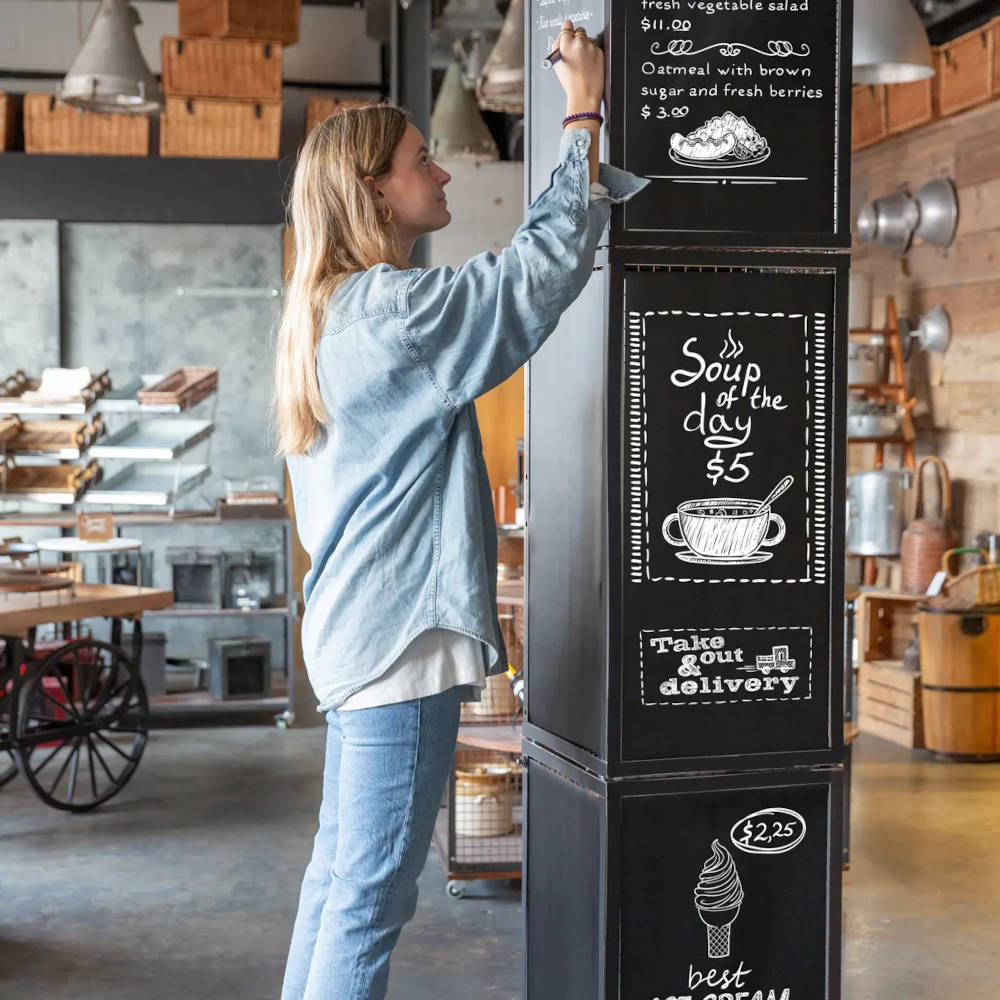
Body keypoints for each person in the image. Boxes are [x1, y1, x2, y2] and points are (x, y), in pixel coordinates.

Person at [273, 19, 648, 1000]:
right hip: (396, 646)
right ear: (373, 191)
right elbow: (531, 277)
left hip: (359, 634)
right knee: (365, 906)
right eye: (420, 160)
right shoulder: (392, 312)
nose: (439, 174)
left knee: (336, 885)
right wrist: (582, 108)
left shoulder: (331, 310)